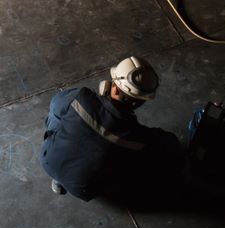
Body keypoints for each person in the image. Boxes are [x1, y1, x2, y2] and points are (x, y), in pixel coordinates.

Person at [40, 56, 182, 201]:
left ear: (112, 86)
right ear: (140, 103)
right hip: (83, 188)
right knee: (136, 160)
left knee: (58, 113)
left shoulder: (80, 97)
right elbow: (170, 143)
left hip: (47, 160)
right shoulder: (137, 136)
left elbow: (55, 104)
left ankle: (60, 175)